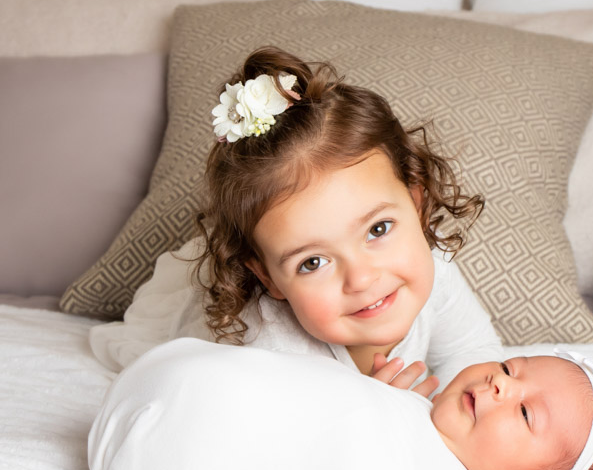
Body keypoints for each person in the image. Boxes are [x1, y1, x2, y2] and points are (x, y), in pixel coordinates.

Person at [89, 46, 503, 392]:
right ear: (268, 278)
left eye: (377, 229)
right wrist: (381, 415)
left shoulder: (432, 269)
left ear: (416, 204)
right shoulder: (270, 352)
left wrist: (452, 415)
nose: (361, 279)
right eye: (313, 262)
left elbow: (473, 356)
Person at [88, 340, 593, 470]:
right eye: (510, 368)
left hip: (181, 441)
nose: (499, 384)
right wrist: (374, 395)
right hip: (177, 380)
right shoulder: (416, 416)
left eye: (526, 413)